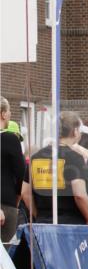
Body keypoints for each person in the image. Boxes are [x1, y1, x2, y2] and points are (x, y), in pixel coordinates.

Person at [22, 112, 88, 226]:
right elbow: (79, 194)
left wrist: (38, 215)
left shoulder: (35, 157)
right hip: (70, 224)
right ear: (75, 131)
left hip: (43, 223)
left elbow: (25, 192)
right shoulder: (75, 158)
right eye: (79, 131)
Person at [1, 97, 25, 243]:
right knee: (6, 254)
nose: (10, 114)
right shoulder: (10, 139)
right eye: (9, 110)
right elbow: (21, 173)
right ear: (3, 114)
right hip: (5, 203)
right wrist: (17, 197)